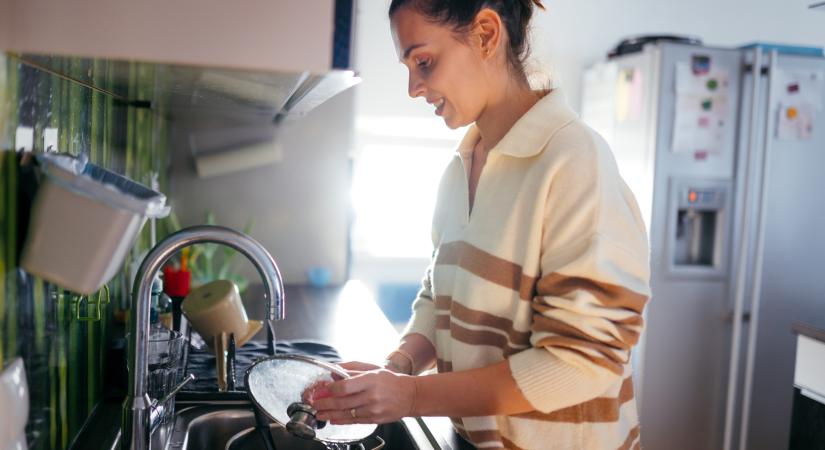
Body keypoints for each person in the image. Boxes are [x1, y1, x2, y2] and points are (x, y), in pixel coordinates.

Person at [310, 1, 651, 448]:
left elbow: (582, 361)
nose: (413, 87)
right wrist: (397, 368)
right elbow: (441, 299)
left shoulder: (574, 162)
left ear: (487, 34)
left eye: (424, 62)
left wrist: (412, 396)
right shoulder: (462, 166)